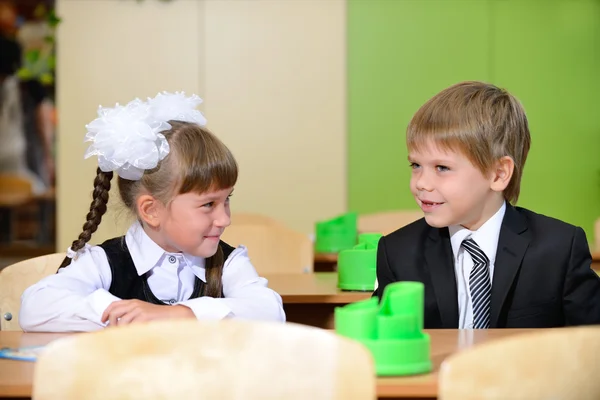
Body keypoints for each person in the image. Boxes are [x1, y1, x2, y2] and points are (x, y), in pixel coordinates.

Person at [20, 92, 286, 332]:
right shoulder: (105, 262)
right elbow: (36, 306)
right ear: (151, 211)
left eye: (226, 200)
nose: (224, 219)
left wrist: (178, 314)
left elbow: (270, 312)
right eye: (208, 205)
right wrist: (120, 312)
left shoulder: (228, 262)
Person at [373, 81, 600, 329]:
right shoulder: (397, 252)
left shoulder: (558, 249)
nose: (422, 183)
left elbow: (591, 344)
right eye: (416, 166)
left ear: (498, 174)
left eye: (442, 168)